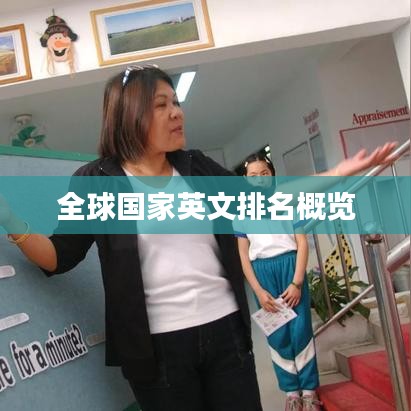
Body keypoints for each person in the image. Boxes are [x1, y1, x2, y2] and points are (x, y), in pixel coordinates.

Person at [0, 65, 397, 411]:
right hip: (156, 352)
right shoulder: (95, 181)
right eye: (161, 105)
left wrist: (339, 172)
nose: (176, 112)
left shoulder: (196, 166)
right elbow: (59, 256)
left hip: (226, 334)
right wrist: (8, 217)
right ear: (129, 114)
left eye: (176, 102)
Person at [236, 153, 321, 411]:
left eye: (264, 174)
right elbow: (243, 255)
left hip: (290, 267)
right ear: (245, 180)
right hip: (262, 273)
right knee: (277, 333)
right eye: (253, 176)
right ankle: (292, 392)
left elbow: (302, 243)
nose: (260, 179)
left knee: (300, 329)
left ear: (272, 175)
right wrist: (258, 291)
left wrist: (297, 283)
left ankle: (309, 391)